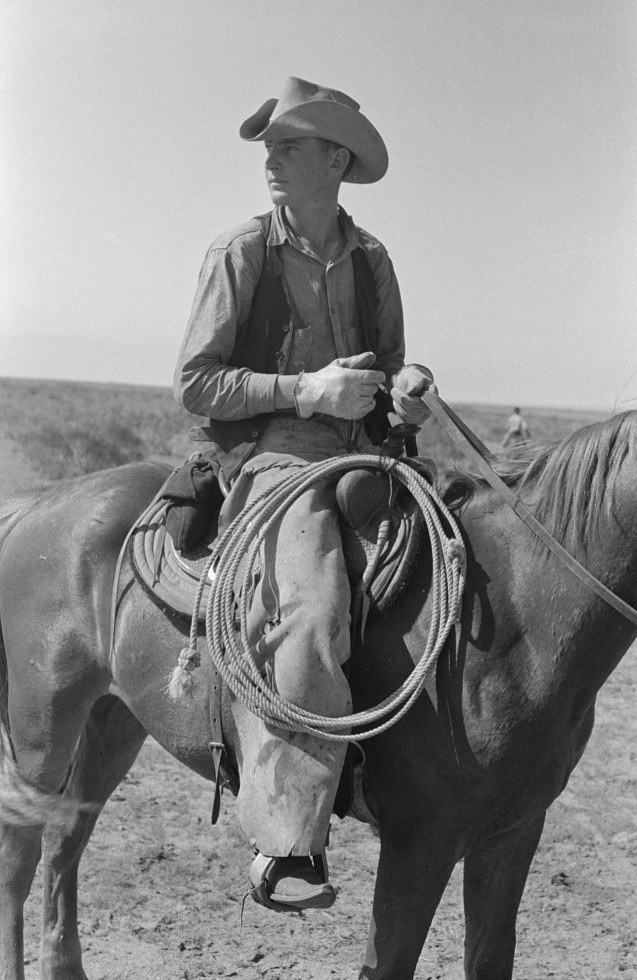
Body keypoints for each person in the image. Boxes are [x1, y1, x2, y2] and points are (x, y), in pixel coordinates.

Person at [173, 76, 433, 913]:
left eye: (287, 146)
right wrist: (306, 391)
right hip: (277, 458)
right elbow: (196, 384)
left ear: (334, 159)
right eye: (270, 148)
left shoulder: (372, 259)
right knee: (314, 613)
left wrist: (409, 389)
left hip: (369, 456)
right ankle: (287, 843)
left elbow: (392, 369)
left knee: (473, 562)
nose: (270, 162)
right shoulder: (240, 252)